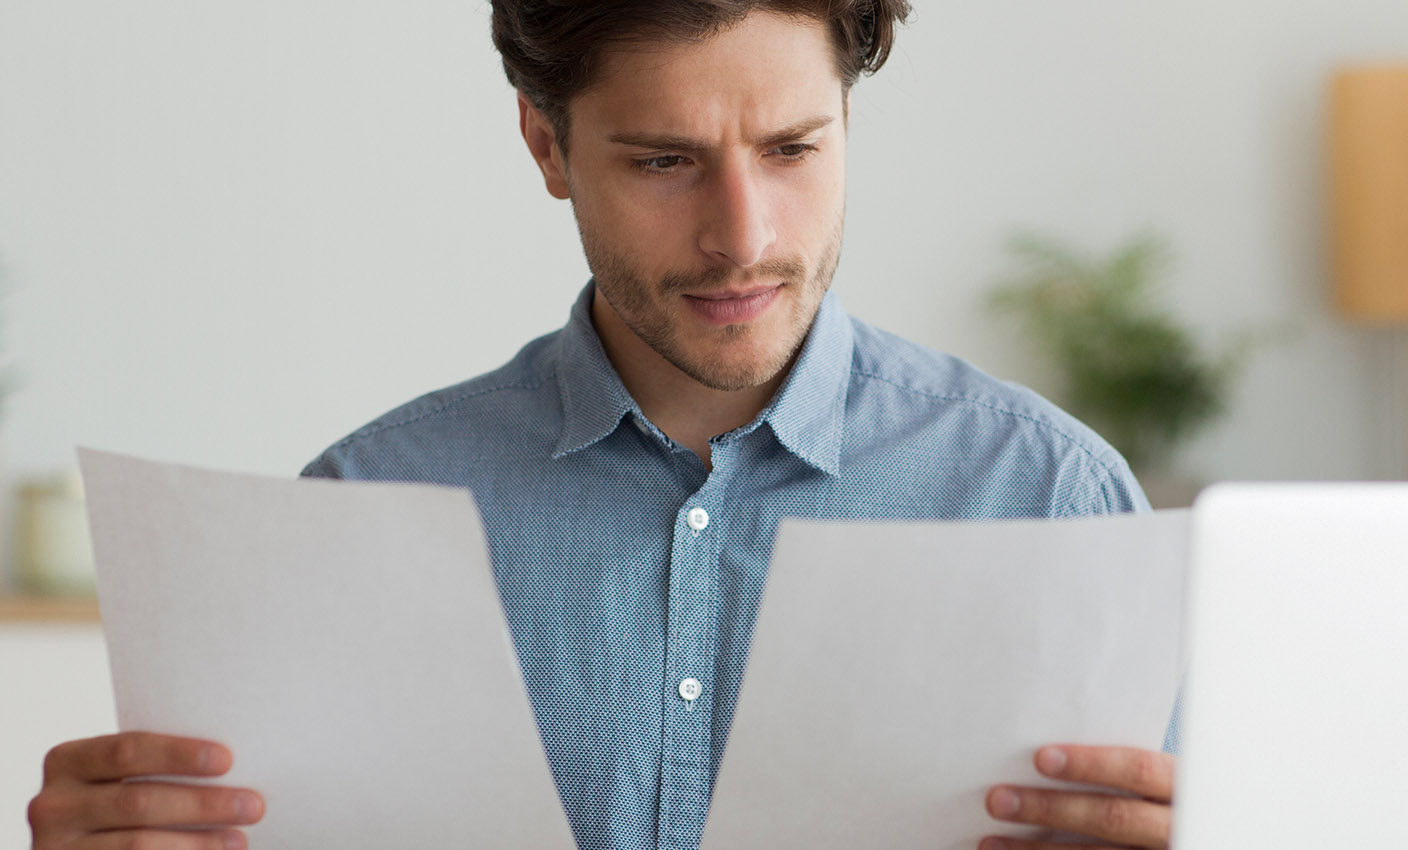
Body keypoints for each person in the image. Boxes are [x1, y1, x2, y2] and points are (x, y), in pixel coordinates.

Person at [27, 3, 1178, 849]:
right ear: (545, 145)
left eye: (792, 150)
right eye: (666, 161)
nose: (743, 235)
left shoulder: (1049, 497)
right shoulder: (363, 506)